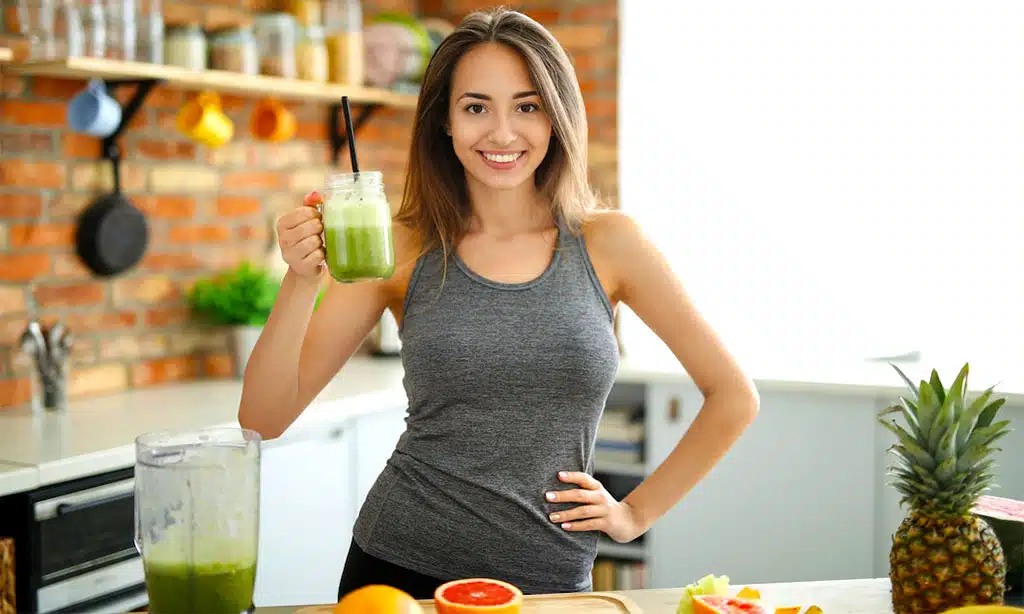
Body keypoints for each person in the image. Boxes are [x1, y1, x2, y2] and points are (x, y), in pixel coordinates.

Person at [239, 6, 759, 602]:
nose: (503, 133)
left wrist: (634, 514)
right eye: (476, 107)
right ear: (446, 122)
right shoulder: (401, 244)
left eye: (527, 105)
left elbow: (734, 397)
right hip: (398, 571)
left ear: (557, 115)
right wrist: (301, 281)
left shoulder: (611, 243)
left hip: (549, 583)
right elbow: (263, 417)